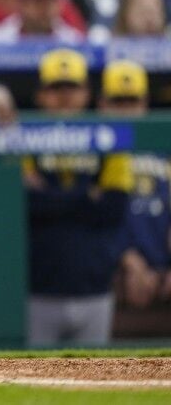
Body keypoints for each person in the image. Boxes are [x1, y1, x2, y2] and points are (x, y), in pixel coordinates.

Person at [23, 49, 132, 346]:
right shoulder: (23, 138)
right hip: (38, 289)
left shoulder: (110, 137)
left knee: (93, 380)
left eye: (72, 88)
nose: (64, 97)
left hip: (95, 287)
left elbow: (113, 209)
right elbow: (25, 206)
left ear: (86, 92)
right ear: (41, 95)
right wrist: (86, 196)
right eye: (56, 88)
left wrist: (50, 194)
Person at [98, 61, 171, 311]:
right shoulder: (96, 150)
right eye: (118, 101)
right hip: (111, 276)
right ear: (103, 104)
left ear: (145, 102)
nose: (126, 109)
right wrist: (127, 259)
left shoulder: (163, 147)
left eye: (133, 101)